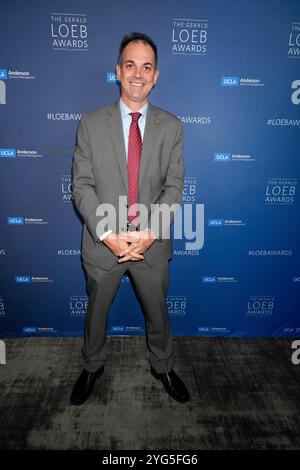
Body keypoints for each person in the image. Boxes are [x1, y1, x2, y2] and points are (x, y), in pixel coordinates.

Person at [70, 32, 190, 405]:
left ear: (155, 76)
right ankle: (93, 365)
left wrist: (149, 233)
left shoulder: (171, 127)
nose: (138, 74)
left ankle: (163, 364)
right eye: (130, 65)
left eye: (147, 67)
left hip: (150, 247)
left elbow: (174, 186)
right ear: (118, 72)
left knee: (159, 315)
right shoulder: (90, 124)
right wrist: (107, 233)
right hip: (103, 246)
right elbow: (82, 186)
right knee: (96, 315)